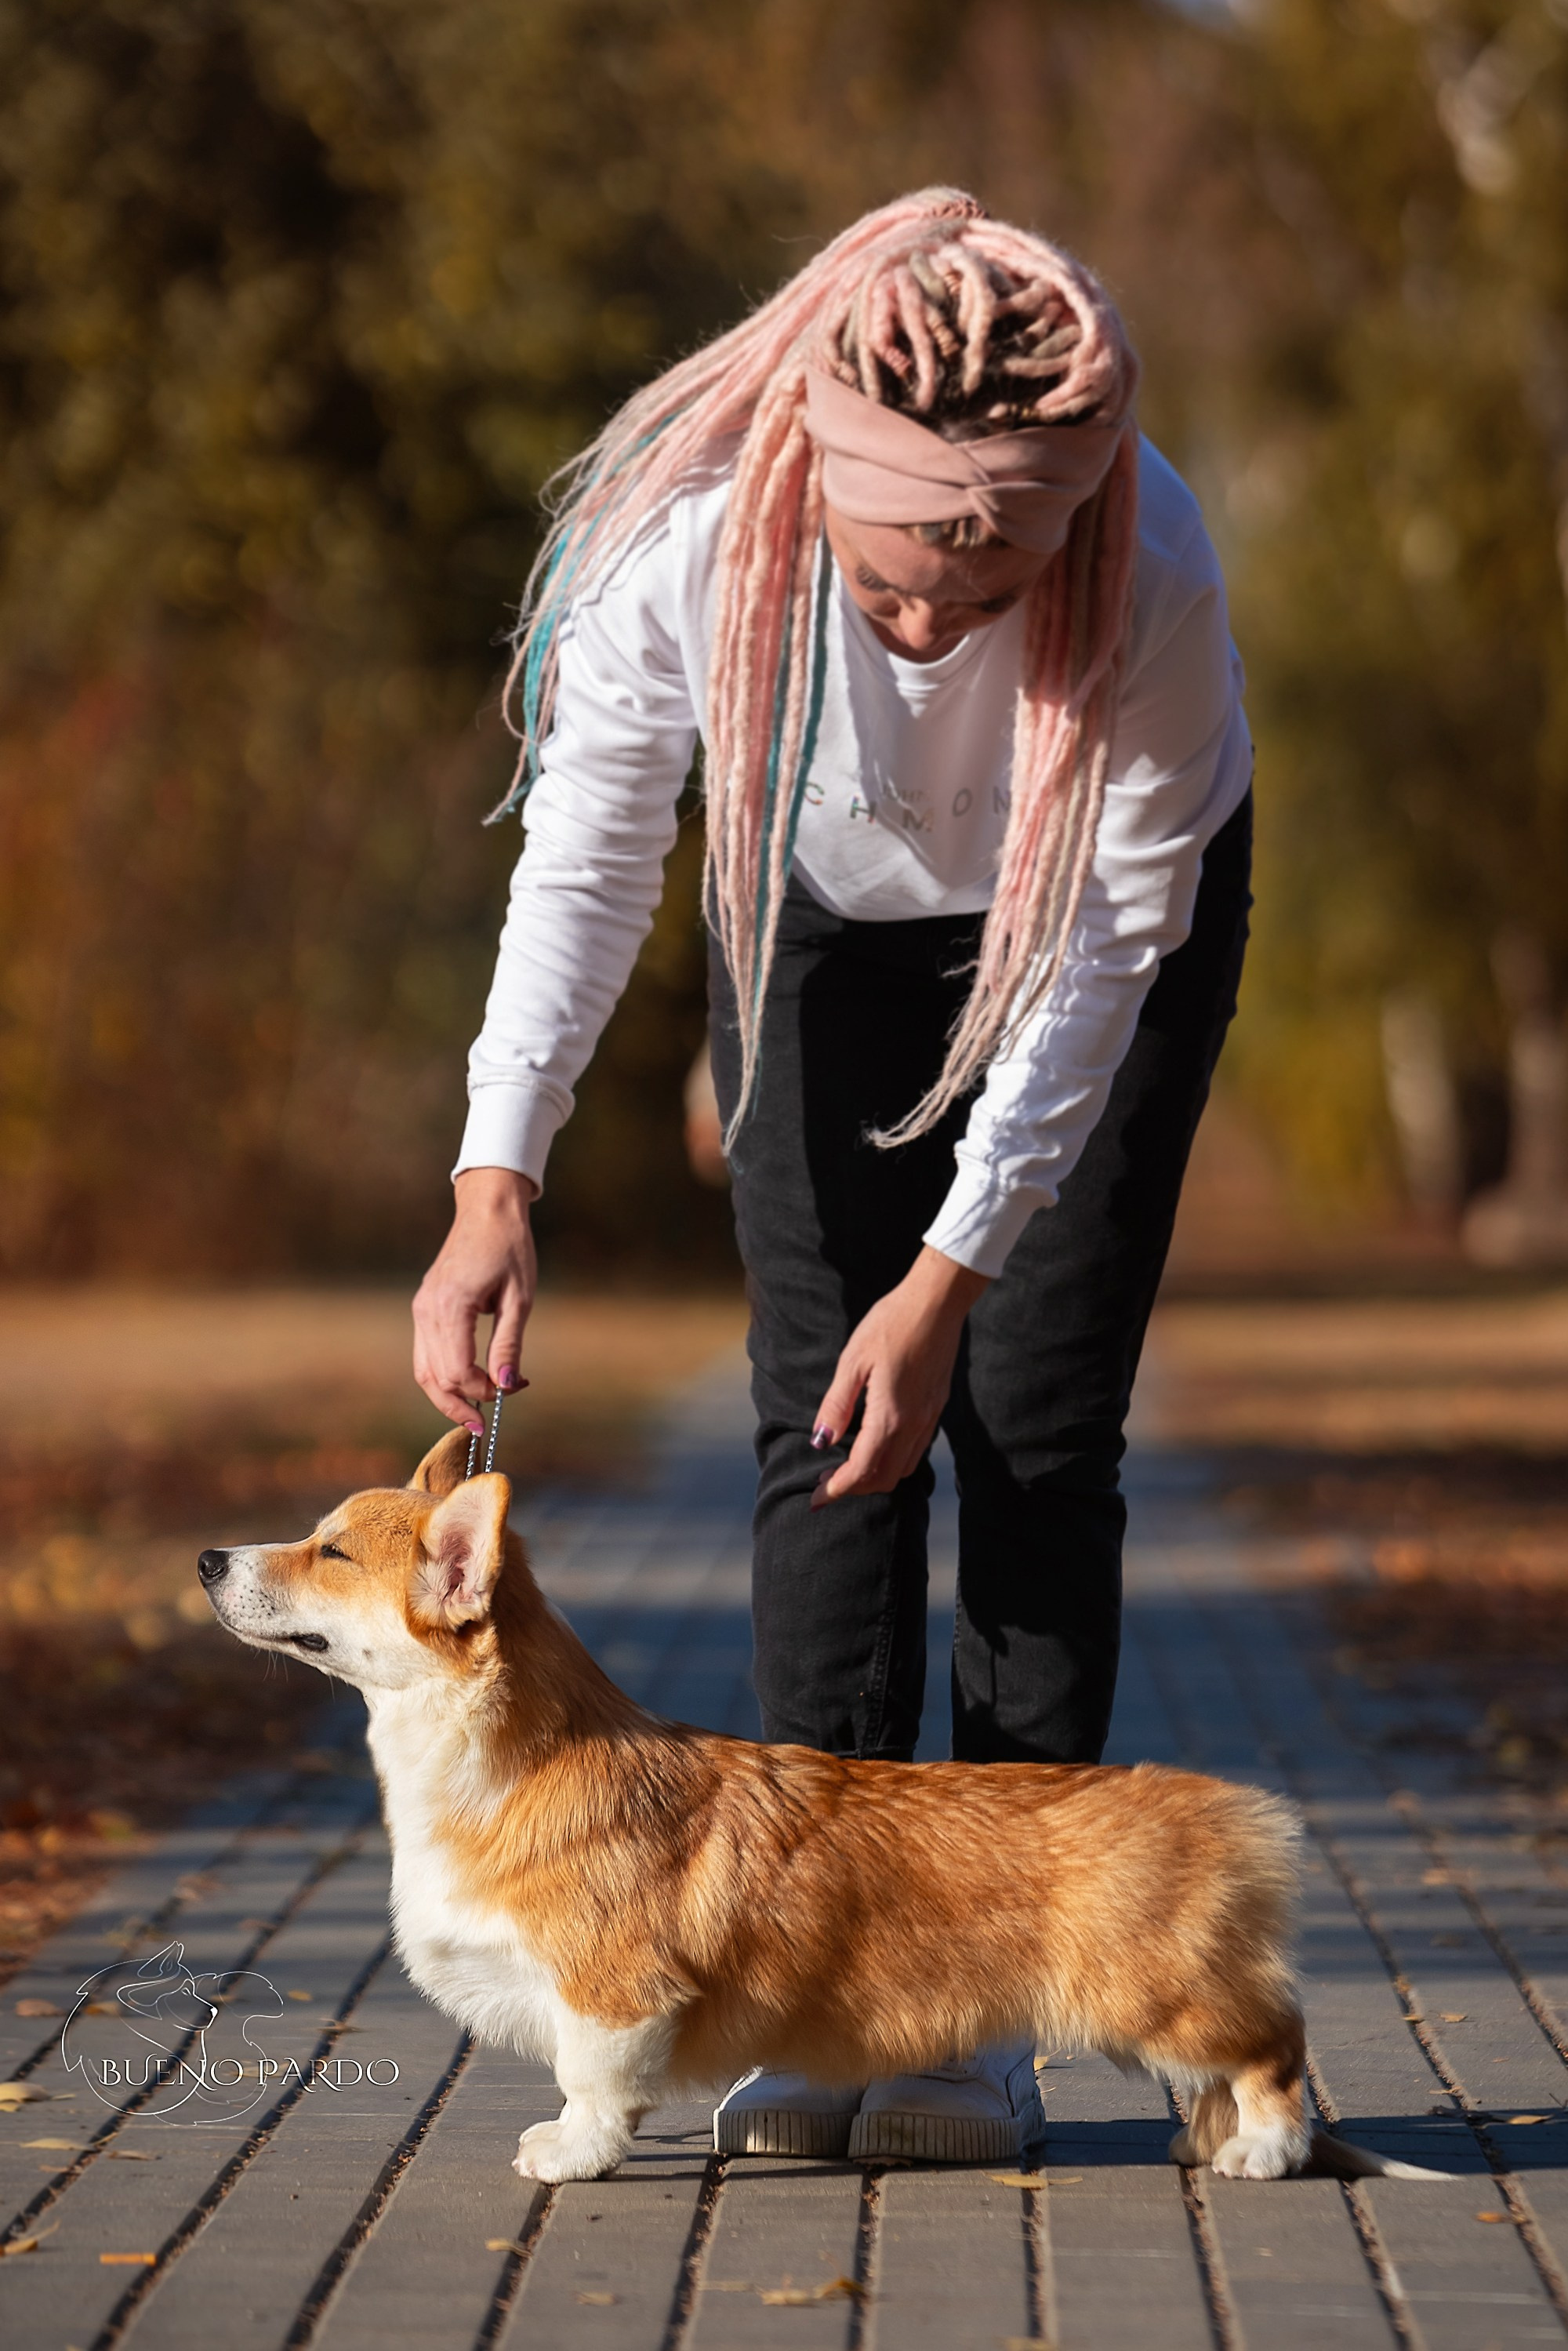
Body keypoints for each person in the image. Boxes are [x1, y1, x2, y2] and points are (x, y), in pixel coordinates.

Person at [412, 188, 1252, 2164]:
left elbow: (1110, 954)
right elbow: (593, 862)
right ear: (813, 479)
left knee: (1034, 1432)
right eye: (892, 585)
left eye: (982, 592)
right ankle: (822, 2006)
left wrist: (952, 1274)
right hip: (811, 934)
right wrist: (494, 1175)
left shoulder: (1156, 569)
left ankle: (982, 2013)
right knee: (829, 1433)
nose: (931, 625)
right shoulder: (685, 549)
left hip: (1092, 940)